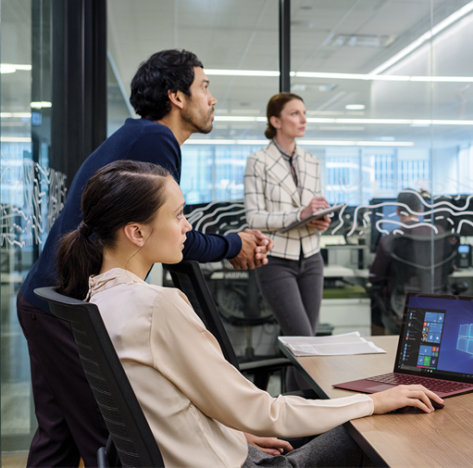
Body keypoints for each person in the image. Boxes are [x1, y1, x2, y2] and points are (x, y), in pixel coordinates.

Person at [56, 160, 442, 468]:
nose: (187, 226)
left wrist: (233, 434)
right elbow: (266, 413)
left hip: (210, 453)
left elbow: (167, 406)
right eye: (177, 215)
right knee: (373, 428)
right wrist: (376, 401)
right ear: (137, 233)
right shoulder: (156, 305)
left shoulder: (95, 299)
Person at [17, 49, 273, 468]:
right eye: (204, 87)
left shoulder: (140, 137)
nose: (212, 99)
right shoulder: (156, 140)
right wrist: (233, 245)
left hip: (46, 300)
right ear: (176, 96)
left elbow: (162, 232)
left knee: (59, 435)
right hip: (61, 308)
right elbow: (169, 240)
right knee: (116, 440)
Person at [243, 92, 330, 390]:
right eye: (295, 113)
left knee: (303, 344)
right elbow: (254, 217)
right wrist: (300, 213)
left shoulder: (312, 161)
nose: (303, 119)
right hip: (277, 260)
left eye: (304, 113)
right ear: (275, 120)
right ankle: (301, 415)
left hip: (312, 257)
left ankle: (295, 411)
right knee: (304, 342)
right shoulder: (258, 162)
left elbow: (311, 209)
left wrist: (318, 218)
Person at [368, 190, 434, 334]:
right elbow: (449, 269)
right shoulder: (437, 235)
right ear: (420, 210)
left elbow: (375, 277)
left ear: (397, 211)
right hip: (434, 303)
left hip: (401, 305)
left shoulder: (389, 239)